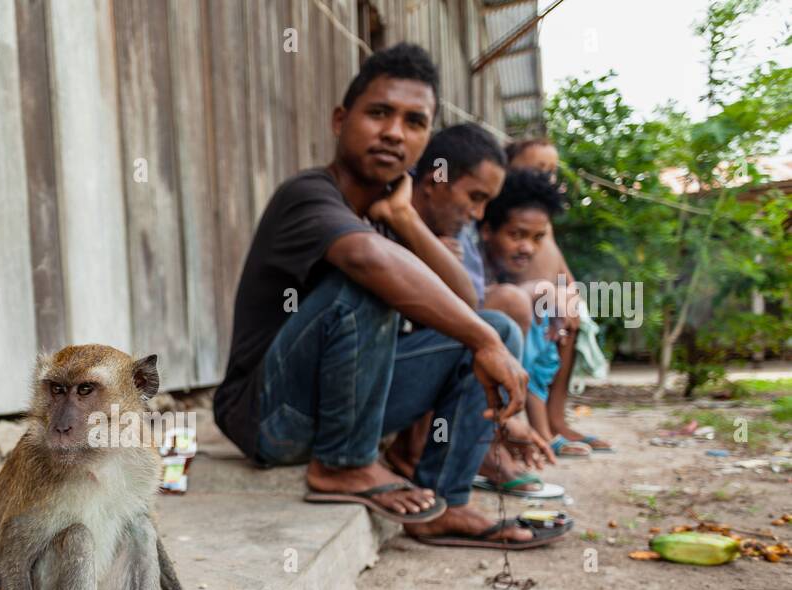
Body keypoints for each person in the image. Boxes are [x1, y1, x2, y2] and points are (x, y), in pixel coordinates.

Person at [212, 45, 570, 549]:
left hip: (336, 409)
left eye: (414, 121)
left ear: (425, 141)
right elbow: (367, 260)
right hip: (269, 416)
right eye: (379, 113)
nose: (395, 132)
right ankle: (343, 467)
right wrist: (482, 338)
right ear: (341, 120)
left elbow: (466, 301)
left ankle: (445, 500)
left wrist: (403, 219)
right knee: (372, 277)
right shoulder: (308, 194)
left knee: (500, 326)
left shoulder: (386, 216)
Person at [383, 122, 559, 498]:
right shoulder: (380, 215)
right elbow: (464, 311)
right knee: (493, 330)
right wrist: (408, 227)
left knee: (492, 330)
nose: (478, 214)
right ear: (434, 180)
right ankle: (420, 460)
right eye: (475, 197)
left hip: (387, 385)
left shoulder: (452, 230)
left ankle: (449, 494)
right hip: (349, 401)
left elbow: (466, 302)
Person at [506, 138, 613, 453]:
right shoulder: (508, 207)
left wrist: (571, 291)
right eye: (538, 168)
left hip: (553, 298)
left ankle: (557, 420)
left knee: (569, 335)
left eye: (551, 171)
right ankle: (538, 431)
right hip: (530, 299)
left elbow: (553, 254)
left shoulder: (541, 211)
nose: (547, 177)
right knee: (535, 359)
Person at [478, 168, 578, 454]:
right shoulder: (467, 251)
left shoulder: (504, 267)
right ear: (487, 230)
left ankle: (533, 428)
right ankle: (499, 436)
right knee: (516, 303)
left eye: (537, 238)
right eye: (516, 235)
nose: (527, 248)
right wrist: (532, 290)